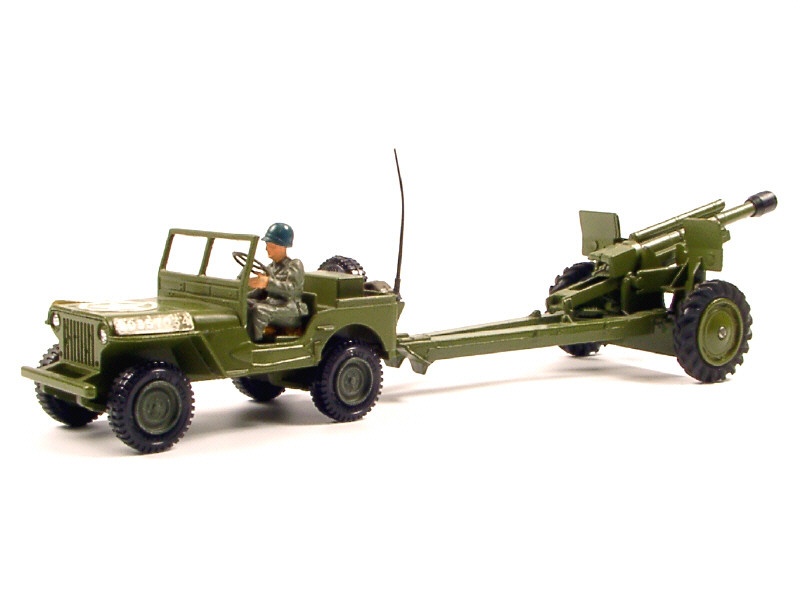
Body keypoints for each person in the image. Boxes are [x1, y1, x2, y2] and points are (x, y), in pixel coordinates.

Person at [248, 223, 307, 341]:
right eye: (267, 245)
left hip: (291, 310)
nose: (267, 248)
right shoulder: (270, 268)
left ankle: (257, 346)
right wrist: (243, 296)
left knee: (259, 311)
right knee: (245, 304)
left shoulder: (294, 265)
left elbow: (292, 289)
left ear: (283, 247)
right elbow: (260, 294)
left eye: (272, 246)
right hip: (273, 306)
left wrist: (267, 282)